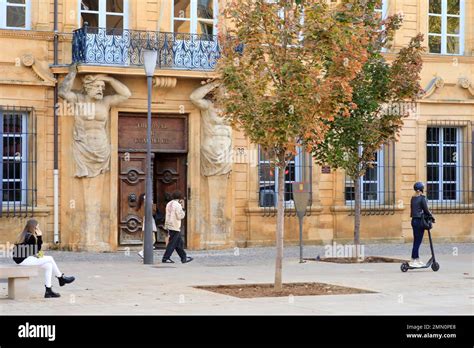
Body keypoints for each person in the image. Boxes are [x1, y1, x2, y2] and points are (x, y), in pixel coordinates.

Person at [12, 219, 75, 298]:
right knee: (50, 258)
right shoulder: (30, 236)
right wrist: (39, 236)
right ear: (34, 228)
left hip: (22, 259)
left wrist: (41, 256)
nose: (39, 229)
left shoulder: (24, 235)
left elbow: (35, 252)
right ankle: (61, 278)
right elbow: (36, 251)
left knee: (48, 265)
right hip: (24, 260)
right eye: (38, 227)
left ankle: (48, 291)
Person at [162, 190, 193, 264]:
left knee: (179, 243)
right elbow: (180, 216)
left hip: (169, 224)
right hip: (175, 225)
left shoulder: (169, 203)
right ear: (179, 197)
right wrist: (183, 211)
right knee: (172, 243)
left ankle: (183, 257)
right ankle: (166, 258)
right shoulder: (177, 205)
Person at [409, 182, 435, 268]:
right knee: (418, 241)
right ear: (422, 189)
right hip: (420, 221)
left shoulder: (413, 198)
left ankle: (417, 259)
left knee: (416, 240)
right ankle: (413, 260)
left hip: (414, 221)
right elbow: (426, 210)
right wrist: (431, 217)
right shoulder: (422, 198)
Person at [137, 194, 159, 259]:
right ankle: (143, 252)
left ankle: (144, 252)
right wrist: (152, 205)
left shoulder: (142, 206)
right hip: (148, 222)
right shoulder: (145, 206)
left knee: (148, 238)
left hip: (147, 222)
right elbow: (152, 212)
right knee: (151, 239)